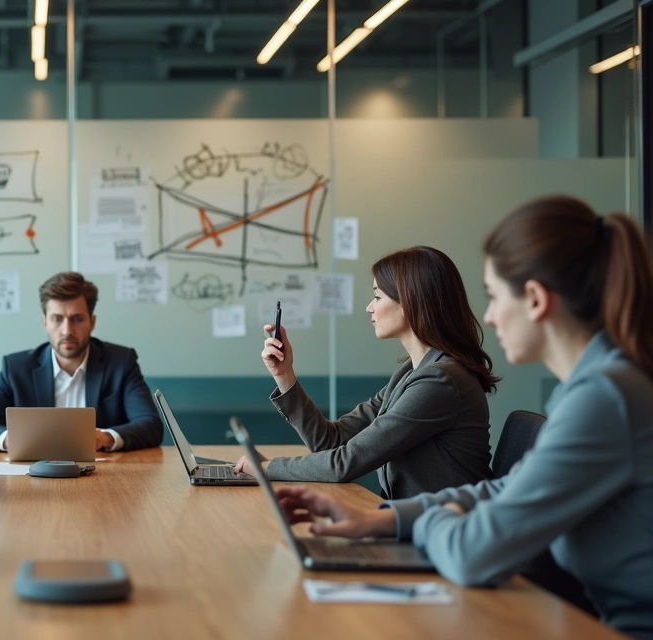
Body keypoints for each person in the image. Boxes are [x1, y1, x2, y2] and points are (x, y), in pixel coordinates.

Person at [271, 196, 653, 640]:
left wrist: (434, 517)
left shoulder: (602, 398)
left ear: (534, 299)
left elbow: (473, 551)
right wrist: (386, 520)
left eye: (493, 296)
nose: (487, 316)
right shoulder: (593, 389)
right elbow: (506, 490)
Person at [235, 246, 497, 500]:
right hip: (418, 525)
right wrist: (285, 374)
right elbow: (330, 442)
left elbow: (344, 463)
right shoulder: (410, 373)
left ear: (410, 302)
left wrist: (268, 468)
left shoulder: (440, 381)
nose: (369, 308)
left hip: (445, 534)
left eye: (378, 296)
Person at [0, 271, 162, 452]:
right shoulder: (17, 368)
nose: (67, 331)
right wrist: (9, 440)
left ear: (92, 322)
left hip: (104, 480)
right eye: (57, 319)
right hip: (32, 482)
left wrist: (105, 438)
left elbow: (151, 425)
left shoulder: (120, 363)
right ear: (45, 322)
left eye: (77, 319)